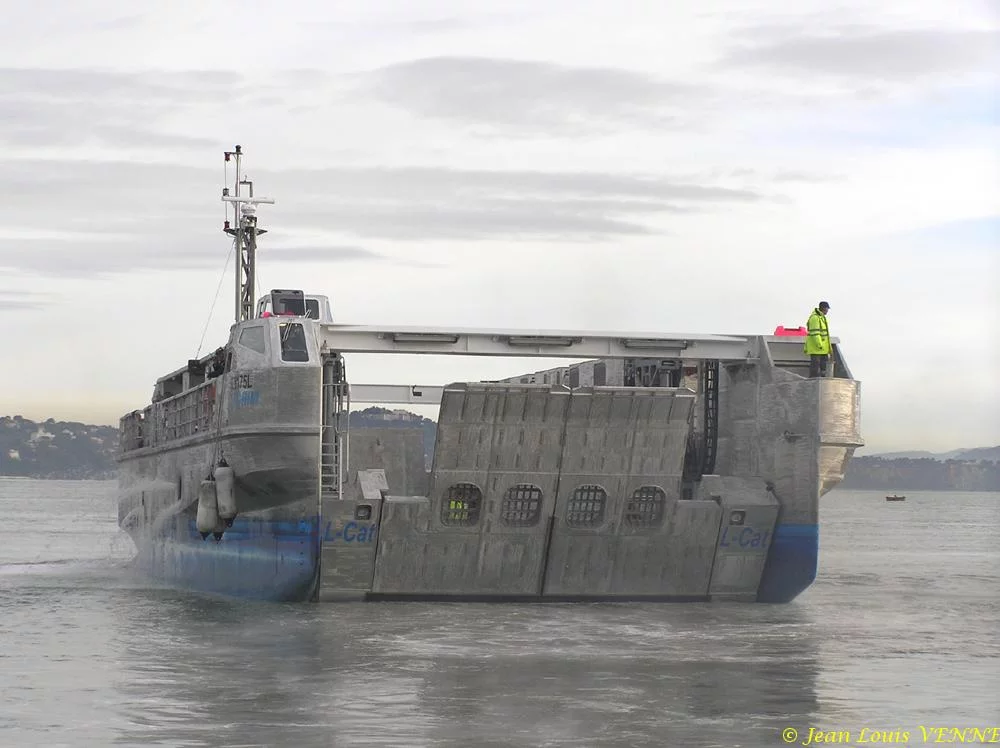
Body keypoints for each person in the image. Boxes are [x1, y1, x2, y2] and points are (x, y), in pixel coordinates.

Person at [804, 301, 832, 378]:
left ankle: (822, 378)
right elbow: (815, 333)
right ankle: (813, 379)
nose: (827, 311)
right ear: (823, 308)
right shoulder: (815, 318)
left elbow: (825, 334)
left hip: (823, 348)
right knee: (815, 363)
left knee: (823, 364)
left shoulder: (822, 318)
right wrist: (819, 345)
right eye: (826, 309)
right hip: (816, 347)